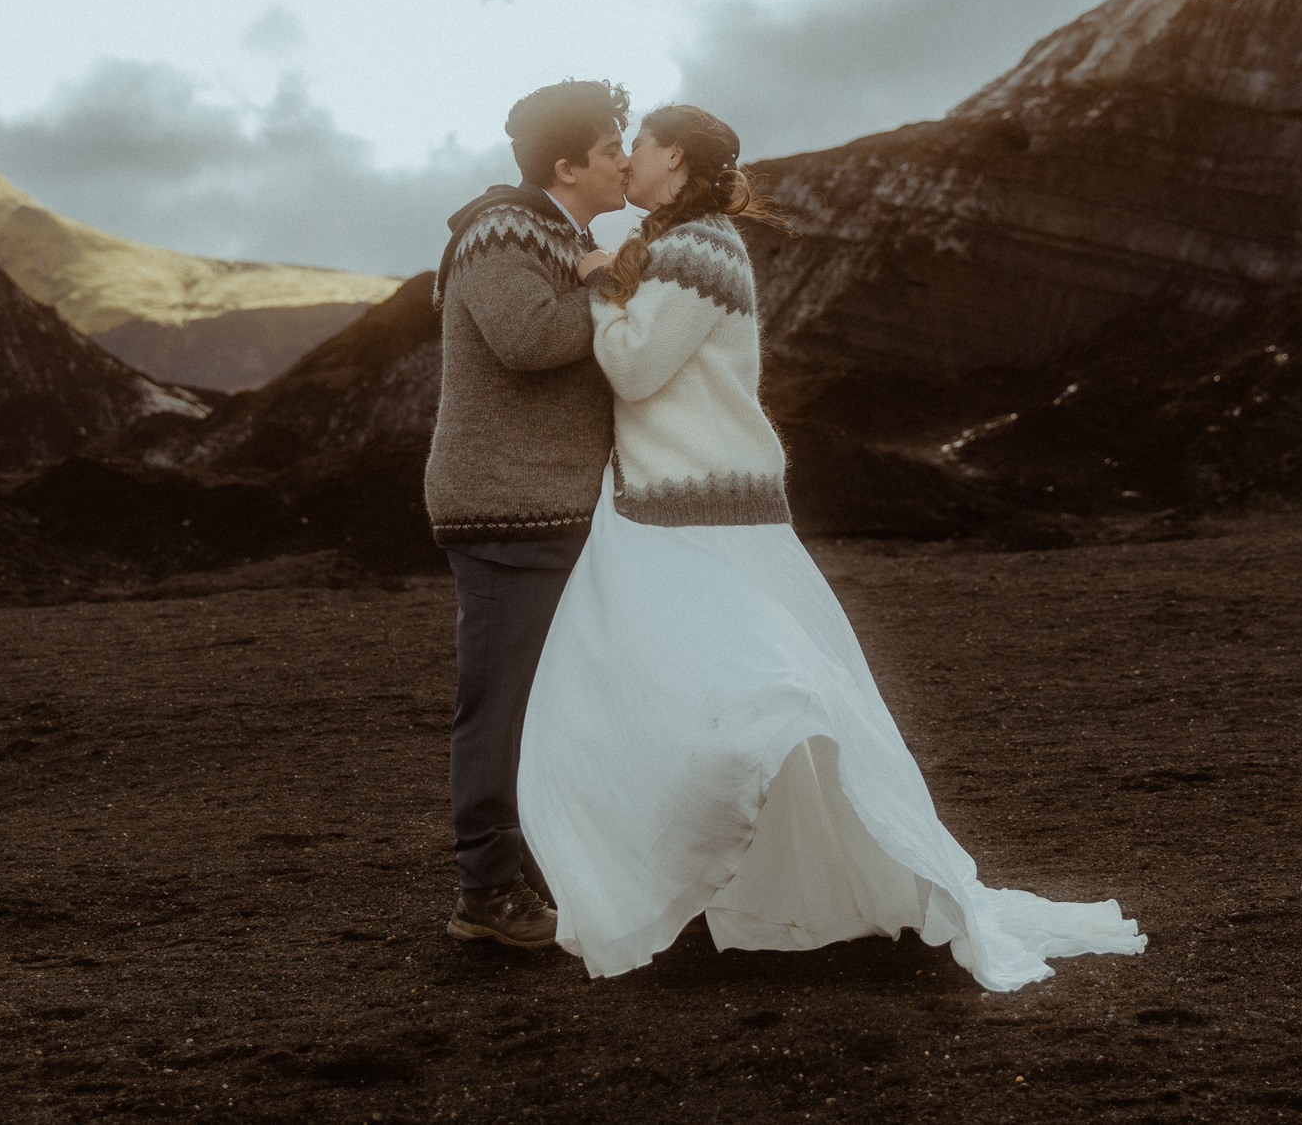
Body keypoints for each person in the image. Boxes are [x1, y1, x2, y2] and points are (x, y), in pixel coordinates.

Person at [516, 104, 1148, 992]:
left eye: (643, 146)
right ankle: (738, 872)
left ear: (679, 163)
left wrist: (596, 286)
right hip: (676, 503)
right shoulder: (678, 245)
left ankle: (720, 869)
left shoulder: (697, 249)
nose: (629, 161)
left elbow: (634, 367)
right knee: (690, 685)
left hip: (698, 510)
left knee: (702, 687)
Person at [427, 78, 631, 948]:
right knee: (503, 701)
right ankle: (487, 890)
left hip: (547, 503)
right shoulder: (503, 228)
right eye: (614, 145)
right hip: (507, 507)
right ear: (567, 164)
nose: (626, 158)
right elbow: (527, 338)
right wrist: (612, 291)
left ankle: (532, 873)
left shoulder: (558, 231)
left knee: (557, 701)